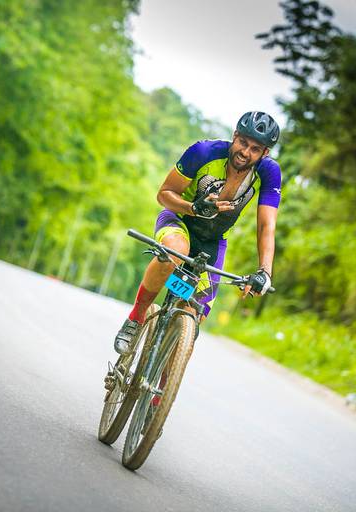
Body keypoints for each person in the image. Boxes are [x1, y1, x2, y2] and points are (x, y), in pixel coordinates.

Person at [113, 111, 281, 354]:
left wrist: (265, 271)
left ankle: (165, 378)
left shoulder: (268, 173)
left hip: (212, 241)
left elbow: (266, 226)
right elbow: (164, 194)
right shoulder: (204, 152)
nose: (245, 152)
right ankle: (136, 318)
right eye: (243, 142)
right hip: (179, 220)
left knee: (192, 321)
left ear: (265, 153)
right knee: (176, 251)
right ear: (234, 136)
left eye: (255, 149)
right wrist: (193, 207)